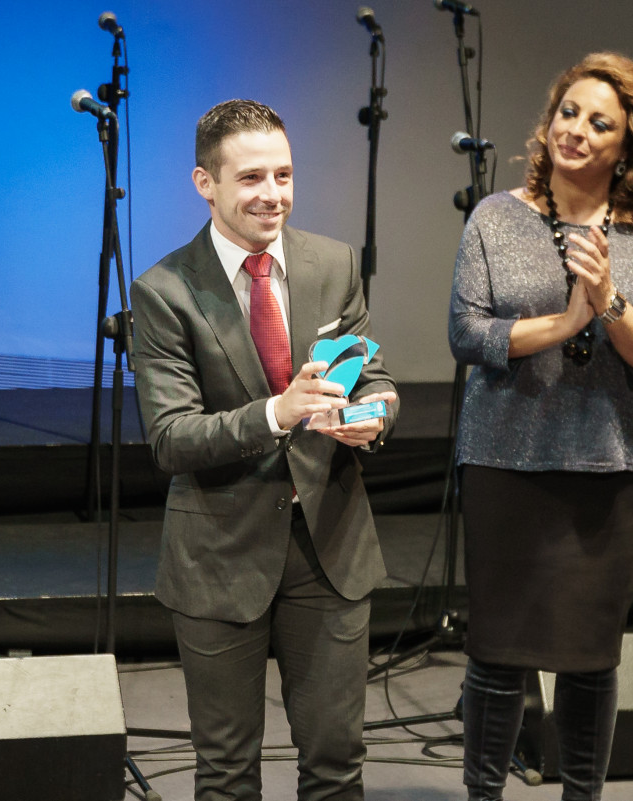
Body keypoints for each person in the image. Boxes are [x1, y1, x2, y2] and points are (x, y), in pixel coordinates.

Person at [130, 99, 399, 800]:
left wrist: (374, 414)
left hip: (330, 545)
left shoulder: (333, 263)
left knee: (337, 764)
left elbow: (371, 375)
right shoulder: (163, 291)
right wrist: (279, 413)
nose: (272, 194)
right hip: (219, 553)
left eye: (283, 174)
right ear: (205, 182)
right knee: (226, 773)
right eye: (251, 177)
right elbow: (171, 437)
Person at [448, 52, 633, 801]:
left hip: (605, 468)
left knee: (590, 658)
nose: (576, 130)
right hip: (503, 460)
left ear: (627, 146)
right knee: (496, 652)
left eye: (599, 123)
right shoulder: (496, 216)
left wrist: (609, 300)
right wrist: (562, 323)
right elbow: (467, 334)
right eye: (569, 112)